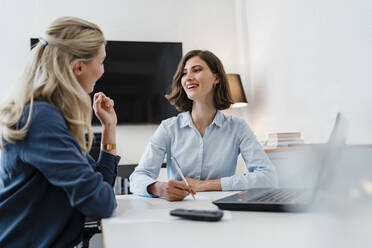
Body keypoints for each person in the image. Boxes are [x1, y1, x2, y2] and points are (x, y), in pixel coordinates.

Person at [0, 17, 120, 247]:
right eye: (101, 61)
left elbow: (102, 186)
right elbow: (100, 201)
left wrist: (109, 128)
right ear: (79, 67)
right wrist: (99, 193)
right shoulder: (40, 119)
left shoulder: (50, 115)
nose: (102, 71)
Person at [130, 50, 278, 201]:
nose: (188, 78)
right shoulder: (168, 128)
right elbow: (137, 178)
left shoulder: (238, 127)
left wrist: (205, 185)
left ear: (216, 77)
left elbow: (268, 177)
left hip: (222, 210)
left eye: (197, 70)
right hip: (179, 210)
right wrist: (158, 188)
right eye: (184, 73)